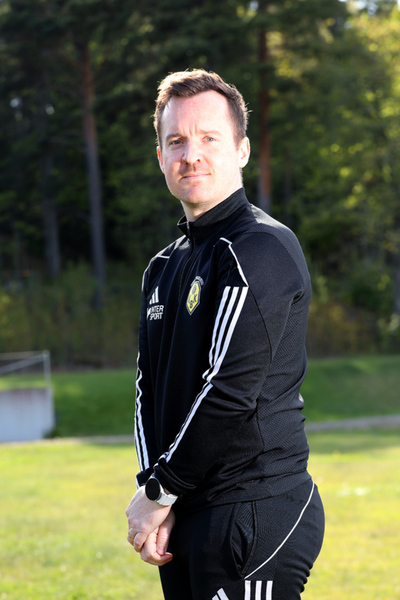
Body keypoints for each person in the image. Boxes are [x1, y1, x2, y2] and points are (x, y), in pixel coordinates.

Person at [125, 69, 325, 600]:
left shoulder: (260, 248)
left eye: (209, 138)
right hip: (186, 513)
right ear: (161, 157)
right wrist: (157, 491)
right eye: (176, 141)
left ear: (242, 149)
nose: (191, 155)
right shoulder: (162, 268)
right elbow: (148, 392)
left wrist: (159, 492)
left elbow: (230, 391)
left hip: (253, 509)